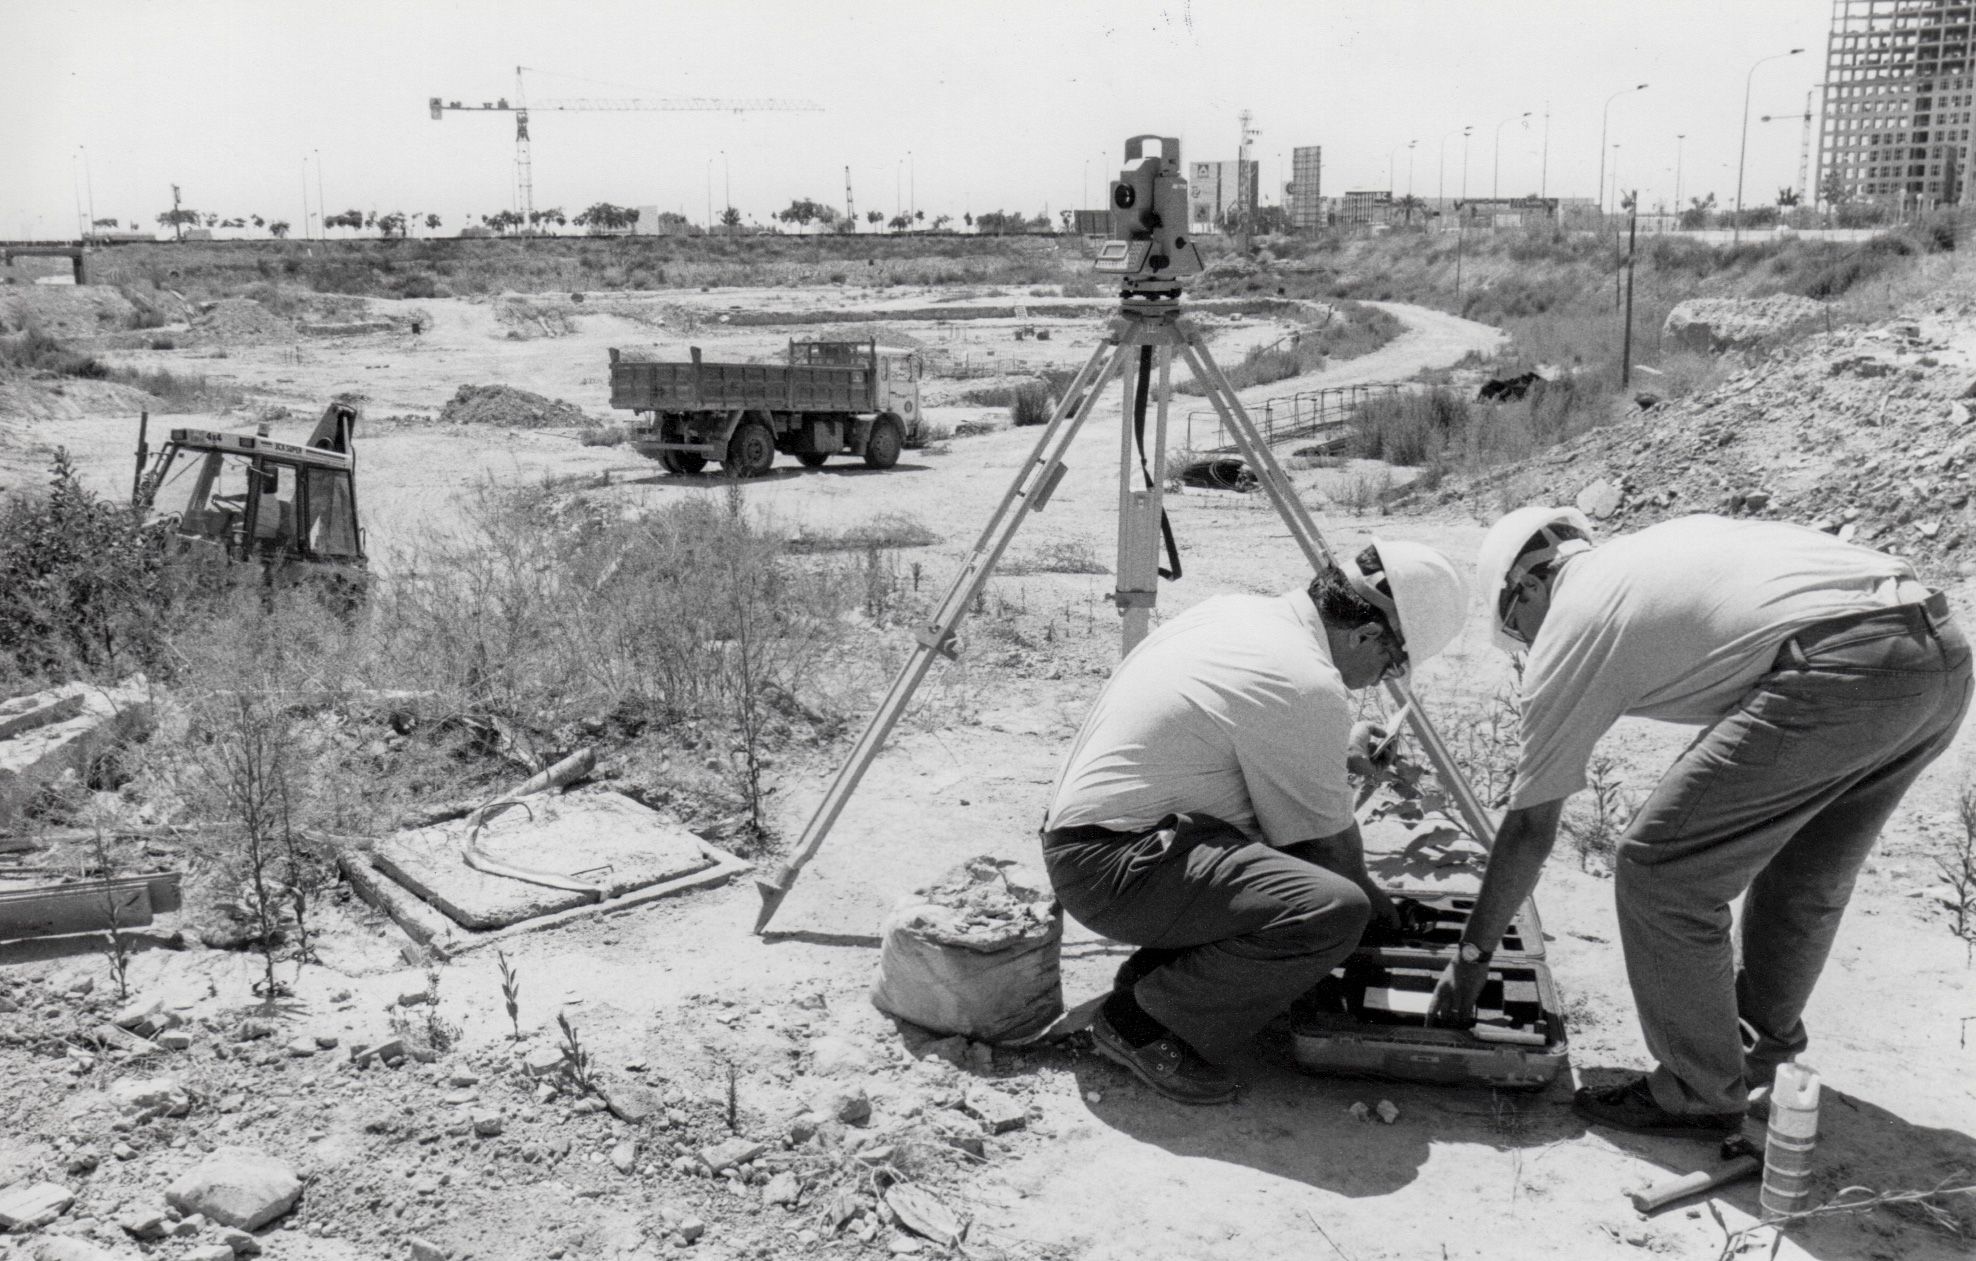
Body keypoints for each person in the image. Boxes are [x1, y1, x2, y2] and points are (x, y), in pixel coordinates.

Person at [1431, 508, 1972, 1137]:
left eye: (1516, 629)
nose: (1526, 646)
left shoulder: (1574, 621)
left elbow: (1530, 830)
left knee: (1661, 866)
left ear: (1522, 587)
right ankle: (1756, 1052)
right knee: (1806, 874)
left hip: (1836, 664)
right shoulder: (1653, 552)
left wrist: (1470, 961)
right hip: (1939, 650)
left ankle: (1698, 1088)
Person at [1041, 541, 1470, 1104]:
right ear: (1365, 634)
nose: (1384, 677)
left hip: (1102, 846)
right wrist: (1391, 924)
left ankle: (1157, 983)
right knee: (1333, 908)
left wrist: (1333, 749)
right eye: (1394, 663)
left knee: (1283, 861)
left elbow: (1239, 728)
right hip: (1114, 871)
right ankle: (1139, 1024)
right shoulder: (1302, 681)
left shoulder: (1242, 615)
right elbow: (1331, 854)